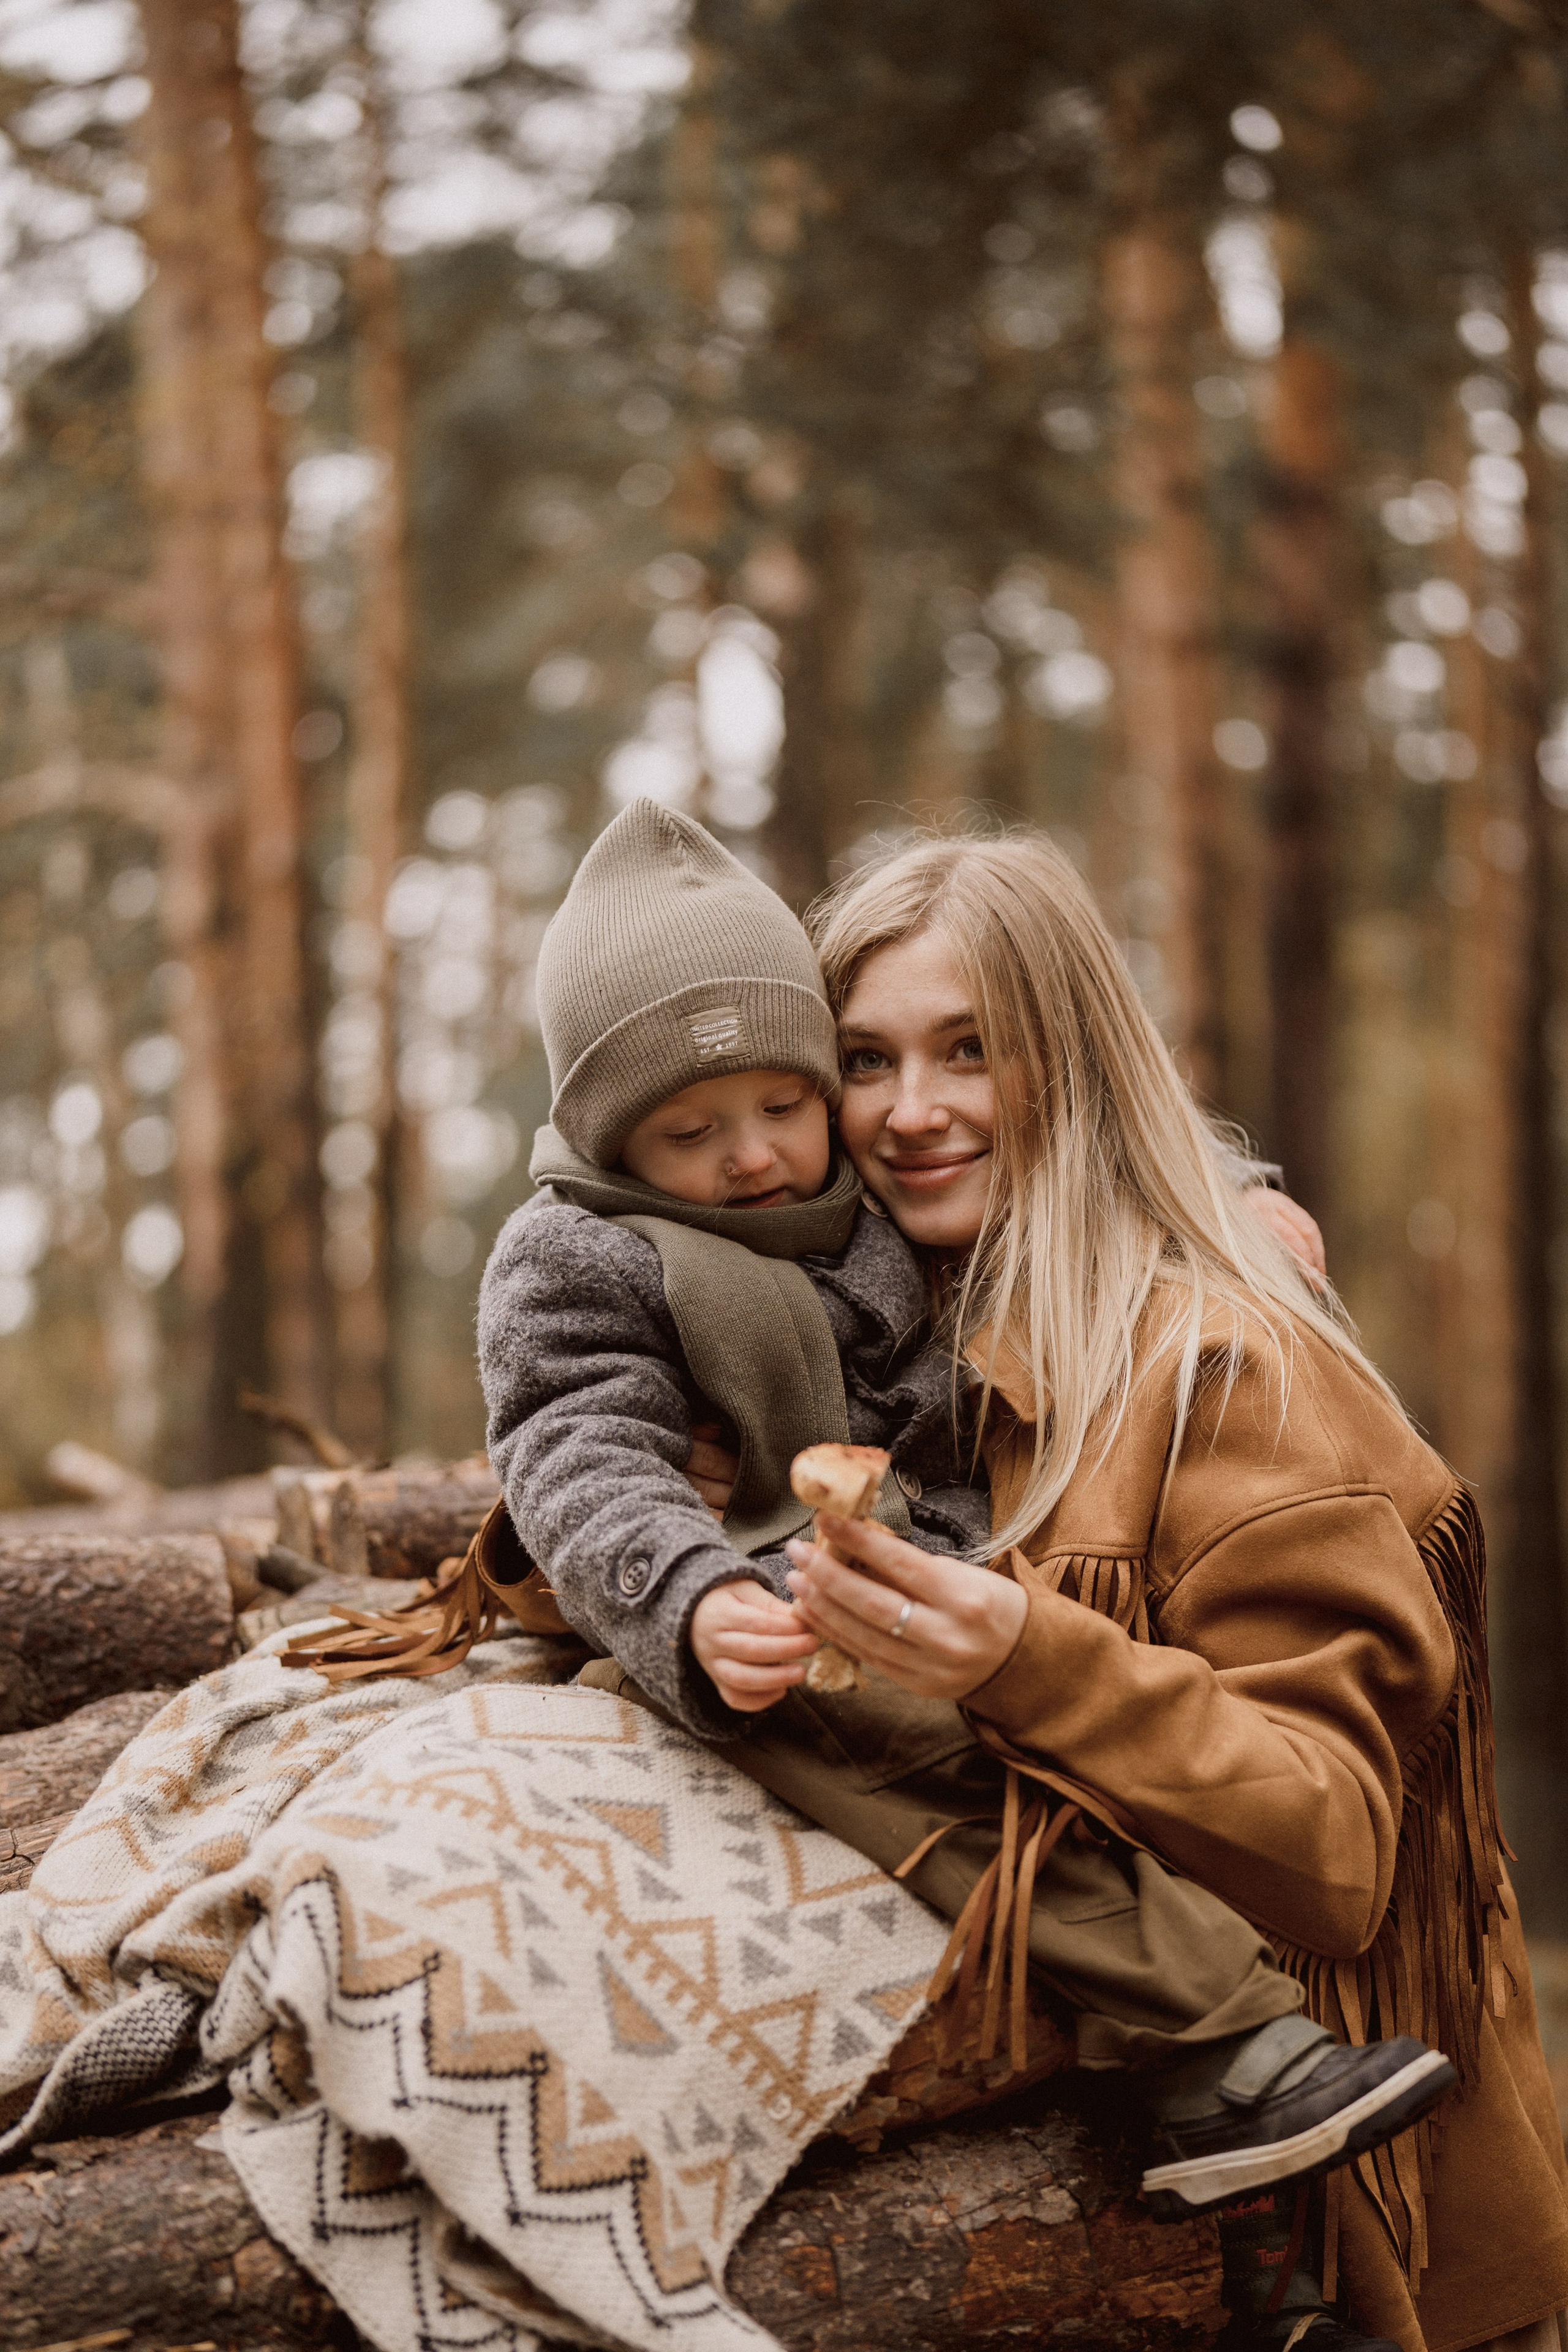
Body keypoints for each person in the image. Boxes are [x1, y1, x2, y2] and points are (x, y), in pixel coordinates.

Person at [748, 831, 1568, 2352]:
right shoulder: (877, 1347)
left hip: (1344, 2250)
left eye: (970, 1052)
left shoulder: (1226, 1368)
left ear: (1069, 1064)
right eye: (865, 1058)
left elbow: (1335, 1847)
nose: (911, 1113)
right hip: (1071, 2207)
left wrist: (1025, 1655)